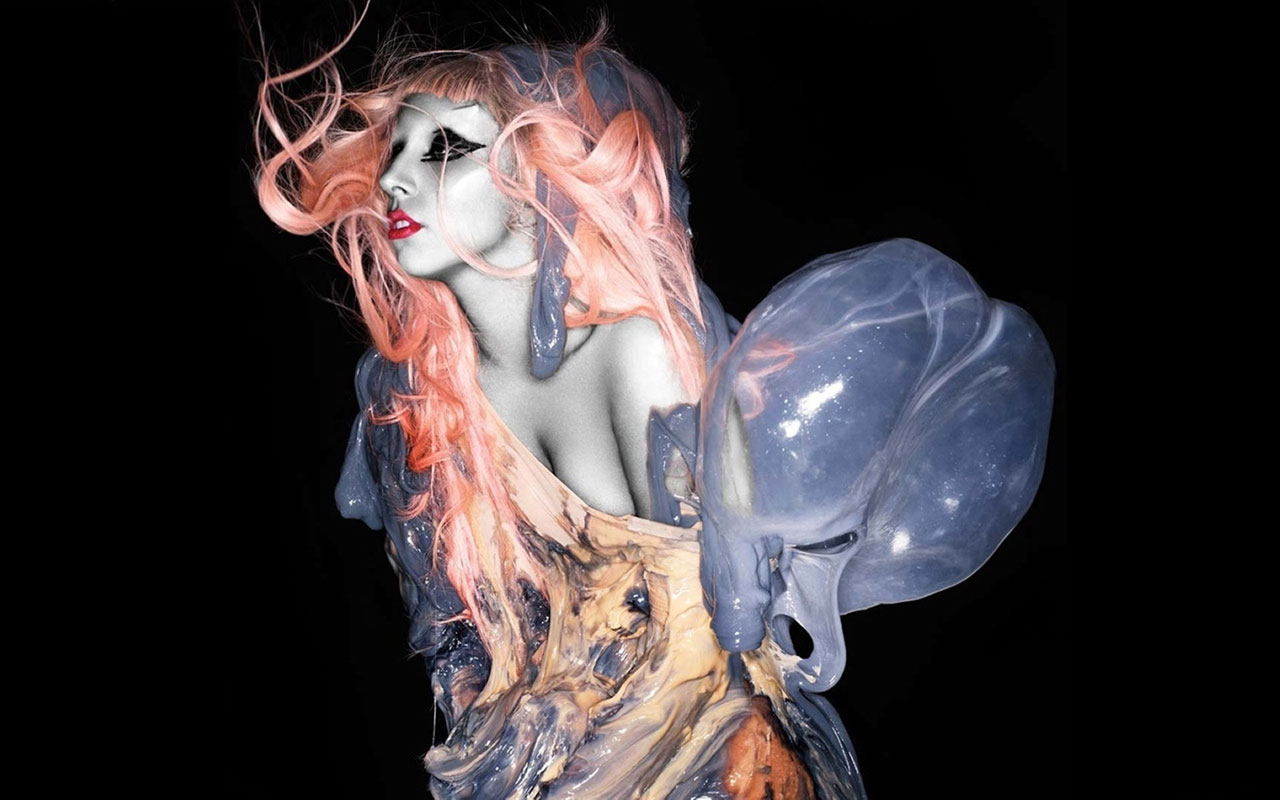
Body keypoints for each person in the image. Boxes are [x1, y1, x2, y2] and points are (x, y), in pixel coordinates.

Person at [251, 10, 1054, 799]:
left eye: (446, 148)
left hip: (709, 760)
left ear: (537, 176)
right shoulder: (415, 398)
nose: (394, 178)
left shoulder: (640, 353)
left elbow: (729, 630)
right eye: (396, 151)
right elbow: (454, 645)